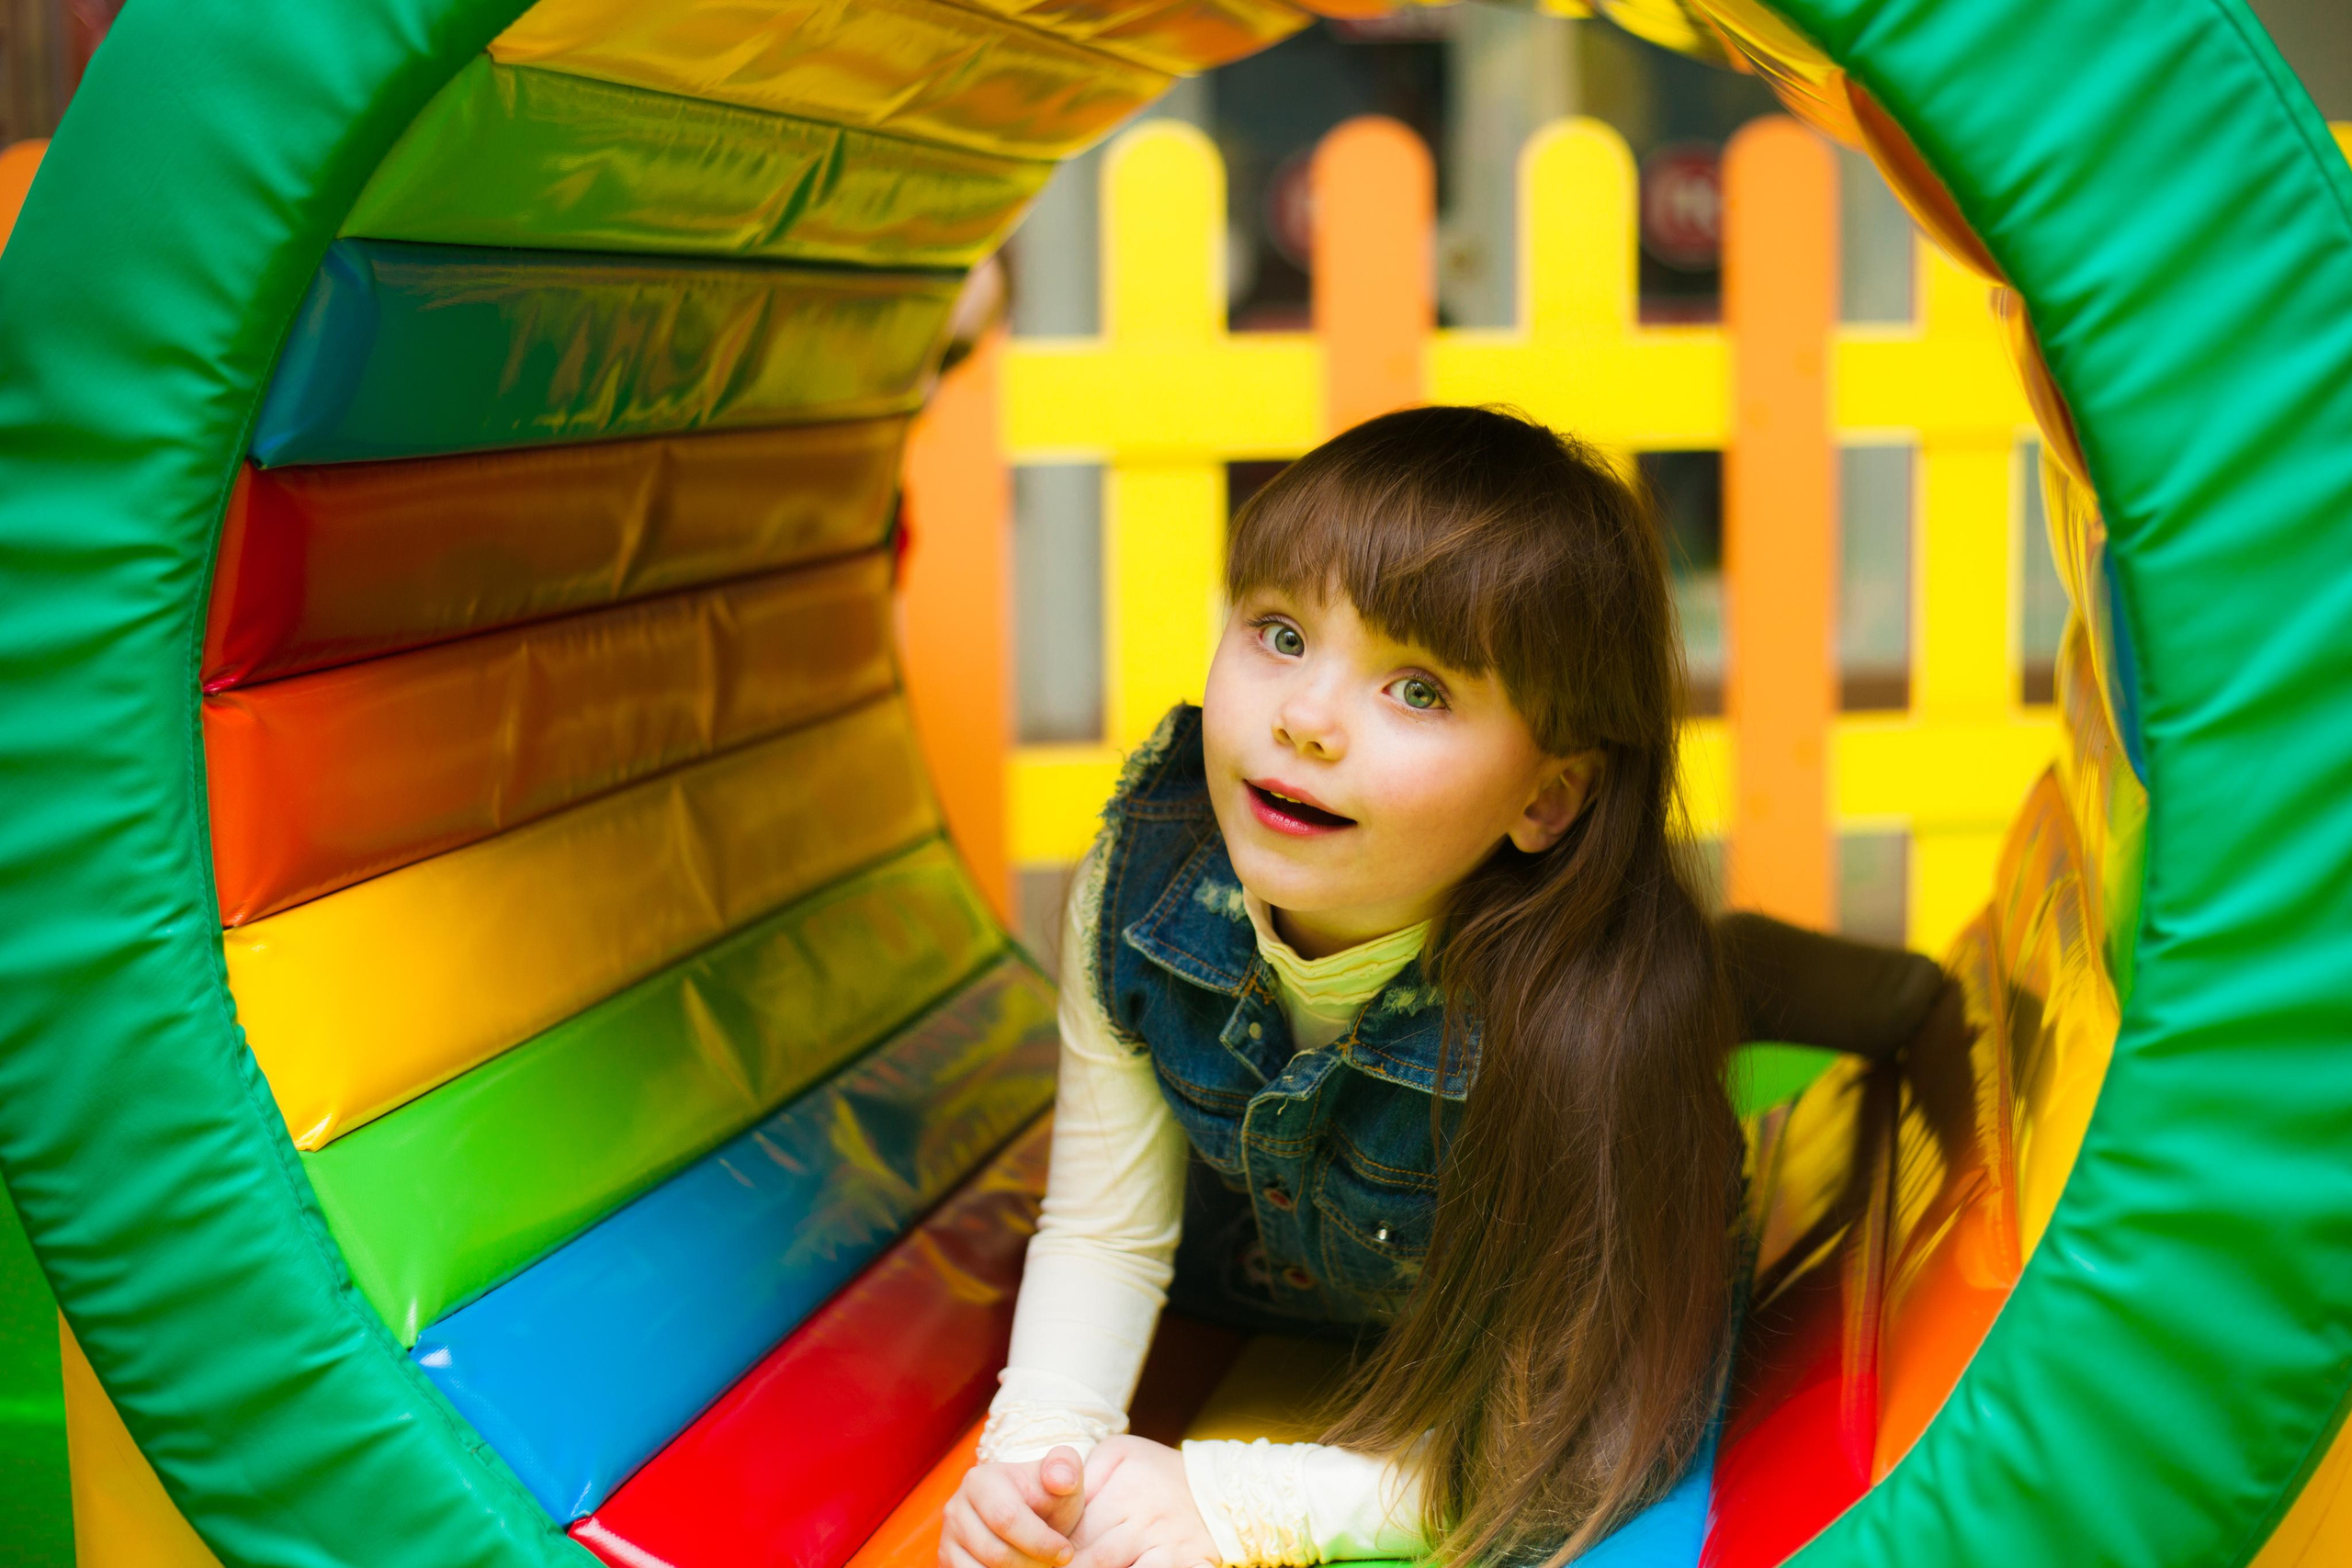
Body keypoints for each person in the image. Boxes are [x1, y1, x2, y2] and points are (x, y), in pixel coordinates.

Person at [940, 406, 1944, 1568]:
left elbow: (1590, 1444)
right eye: (1277, 632)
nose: (1305, 719)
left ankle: (1752, 972)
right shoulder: (1141, 885)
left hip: (1551, 1198)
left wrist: (1238, 1501)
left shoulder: (1599, 1034)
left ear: (1545, 799)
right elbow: (1104, 1229)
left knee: (1689, 985)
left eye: (1417, 690)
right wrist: (1033, 1470)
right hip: (1278, 1254)